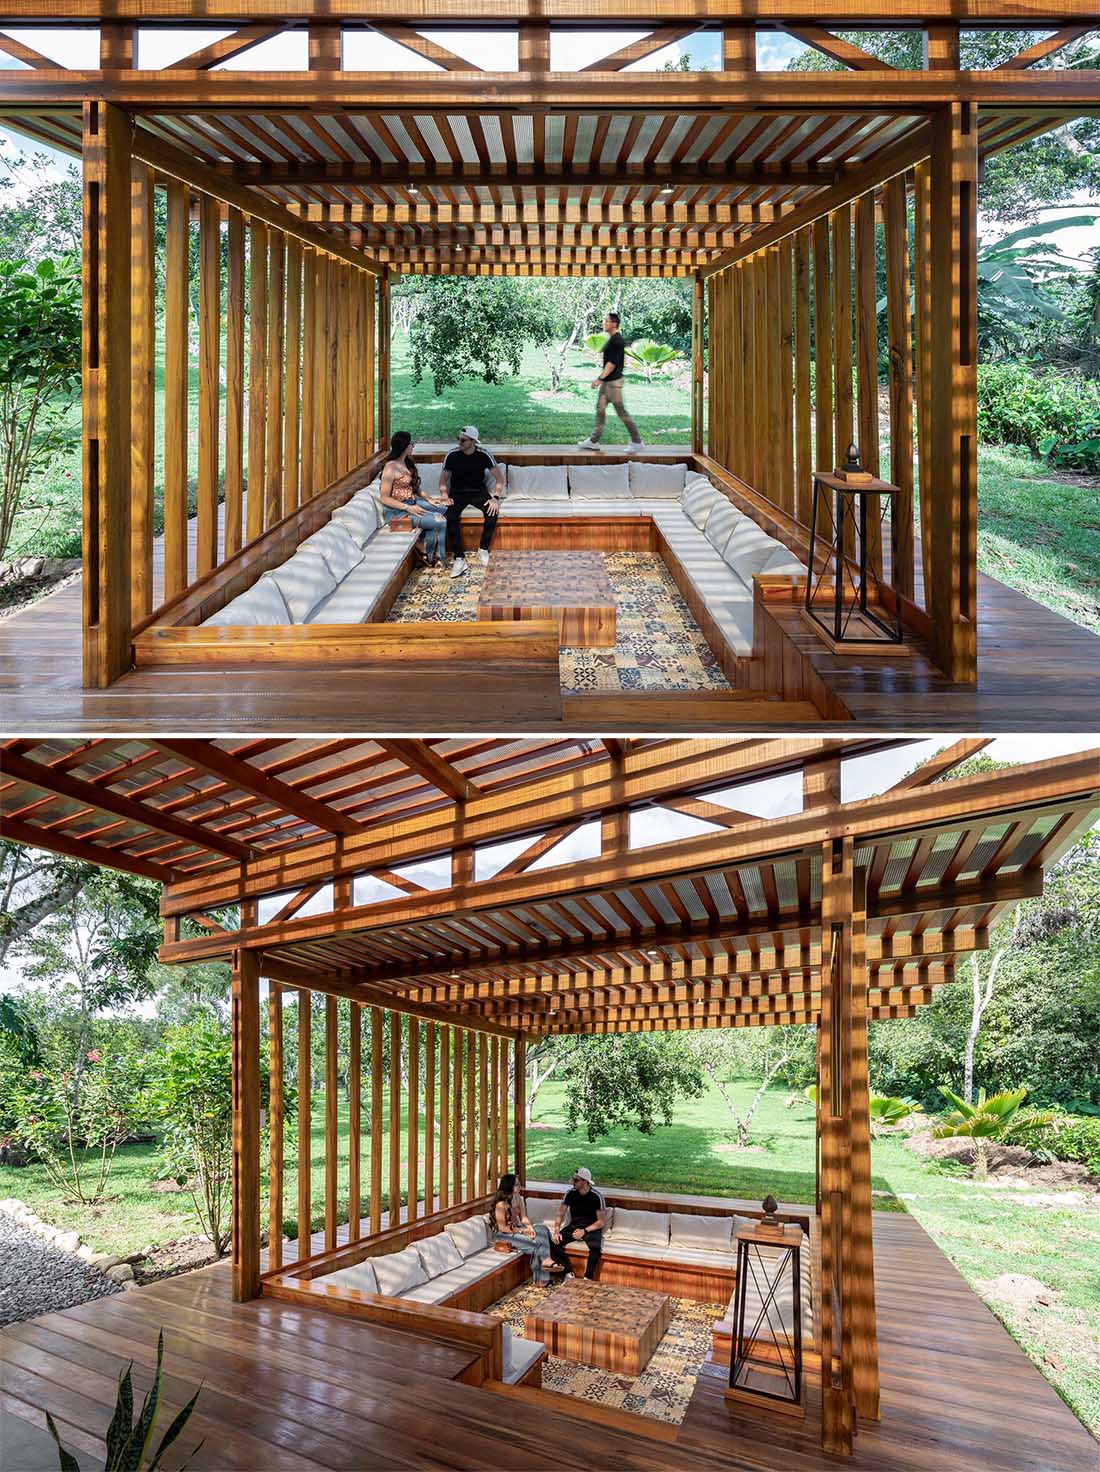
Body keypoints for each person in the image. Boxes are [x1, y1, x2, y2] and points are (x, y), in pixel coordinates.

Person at [377, 430, 448, 567]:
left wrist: (428, 498)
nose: (413, 446)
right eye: (411, 443)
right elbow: (384, 498)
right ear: (404, 446)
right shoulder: (390, 467)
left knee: (443, 508)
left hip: (411, 502)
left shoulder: (407, 462)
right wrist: (409, 508)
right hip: (397, 511)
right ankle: (436, 557)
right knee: (440, 521)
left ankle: (424, 547)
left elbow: (414, 487)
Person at [441, 426, 504, 579]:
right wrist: (444, 494)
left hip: (478, 492)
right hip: (457, 493)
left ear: (473, 441)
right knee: (450, 516)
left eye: (463, 440)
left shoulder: (484, 454)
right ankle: (459, 558)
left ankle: (483, 549)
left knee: (492, 512)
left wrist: (495, 497)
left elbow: (499, 478)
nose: (459, 442)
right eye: (458, 439)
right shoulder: (452, 455)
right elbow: (443, 478)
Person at [577, 312, 643, 452]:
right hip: (608, 383)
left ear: (614, 323)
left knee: (621, 412)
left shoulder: (617, 341)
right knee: (600, 409)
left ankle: (637, 442)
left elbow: (611, 364)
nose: (604, 323)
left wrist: (599, 379)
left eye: (606, 321)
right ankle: (593, 441)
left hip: (613, 384)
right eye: (604, 321)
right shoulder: (612, 339)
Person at [488, 1172, 562, 1286]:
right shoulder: (501, 1205)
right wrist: (523, 1231)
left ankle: (545, 1265)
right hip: (503, 1235)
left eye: (519, 1183)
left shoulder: (518, 1198)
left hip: (516, 1228)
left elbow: (523, 1217)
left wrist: (530, 1228)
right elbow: (503, 1228)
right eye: (516, 1184)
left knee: (543, 1230)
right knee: (538, 1244)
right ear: (509, 1186)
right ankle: (542, 1278)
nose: (519, 1186)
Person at [548, 1166, 606, 1281]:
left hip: (591, 1227)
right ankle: (568, 1273)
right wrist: (556, 1231)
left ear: (585, 1182)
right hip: (575, 1225)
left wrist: (584, 1231)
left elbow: (601, 1222)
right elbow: (560, 1213)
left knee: (595, 1249)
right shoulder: (570, 1193)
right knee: (554, 1241)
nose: (572, 1182)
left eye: (576, 1180)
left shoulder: (597, 1196)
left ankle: (587, 1278)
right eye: (573, 1179)